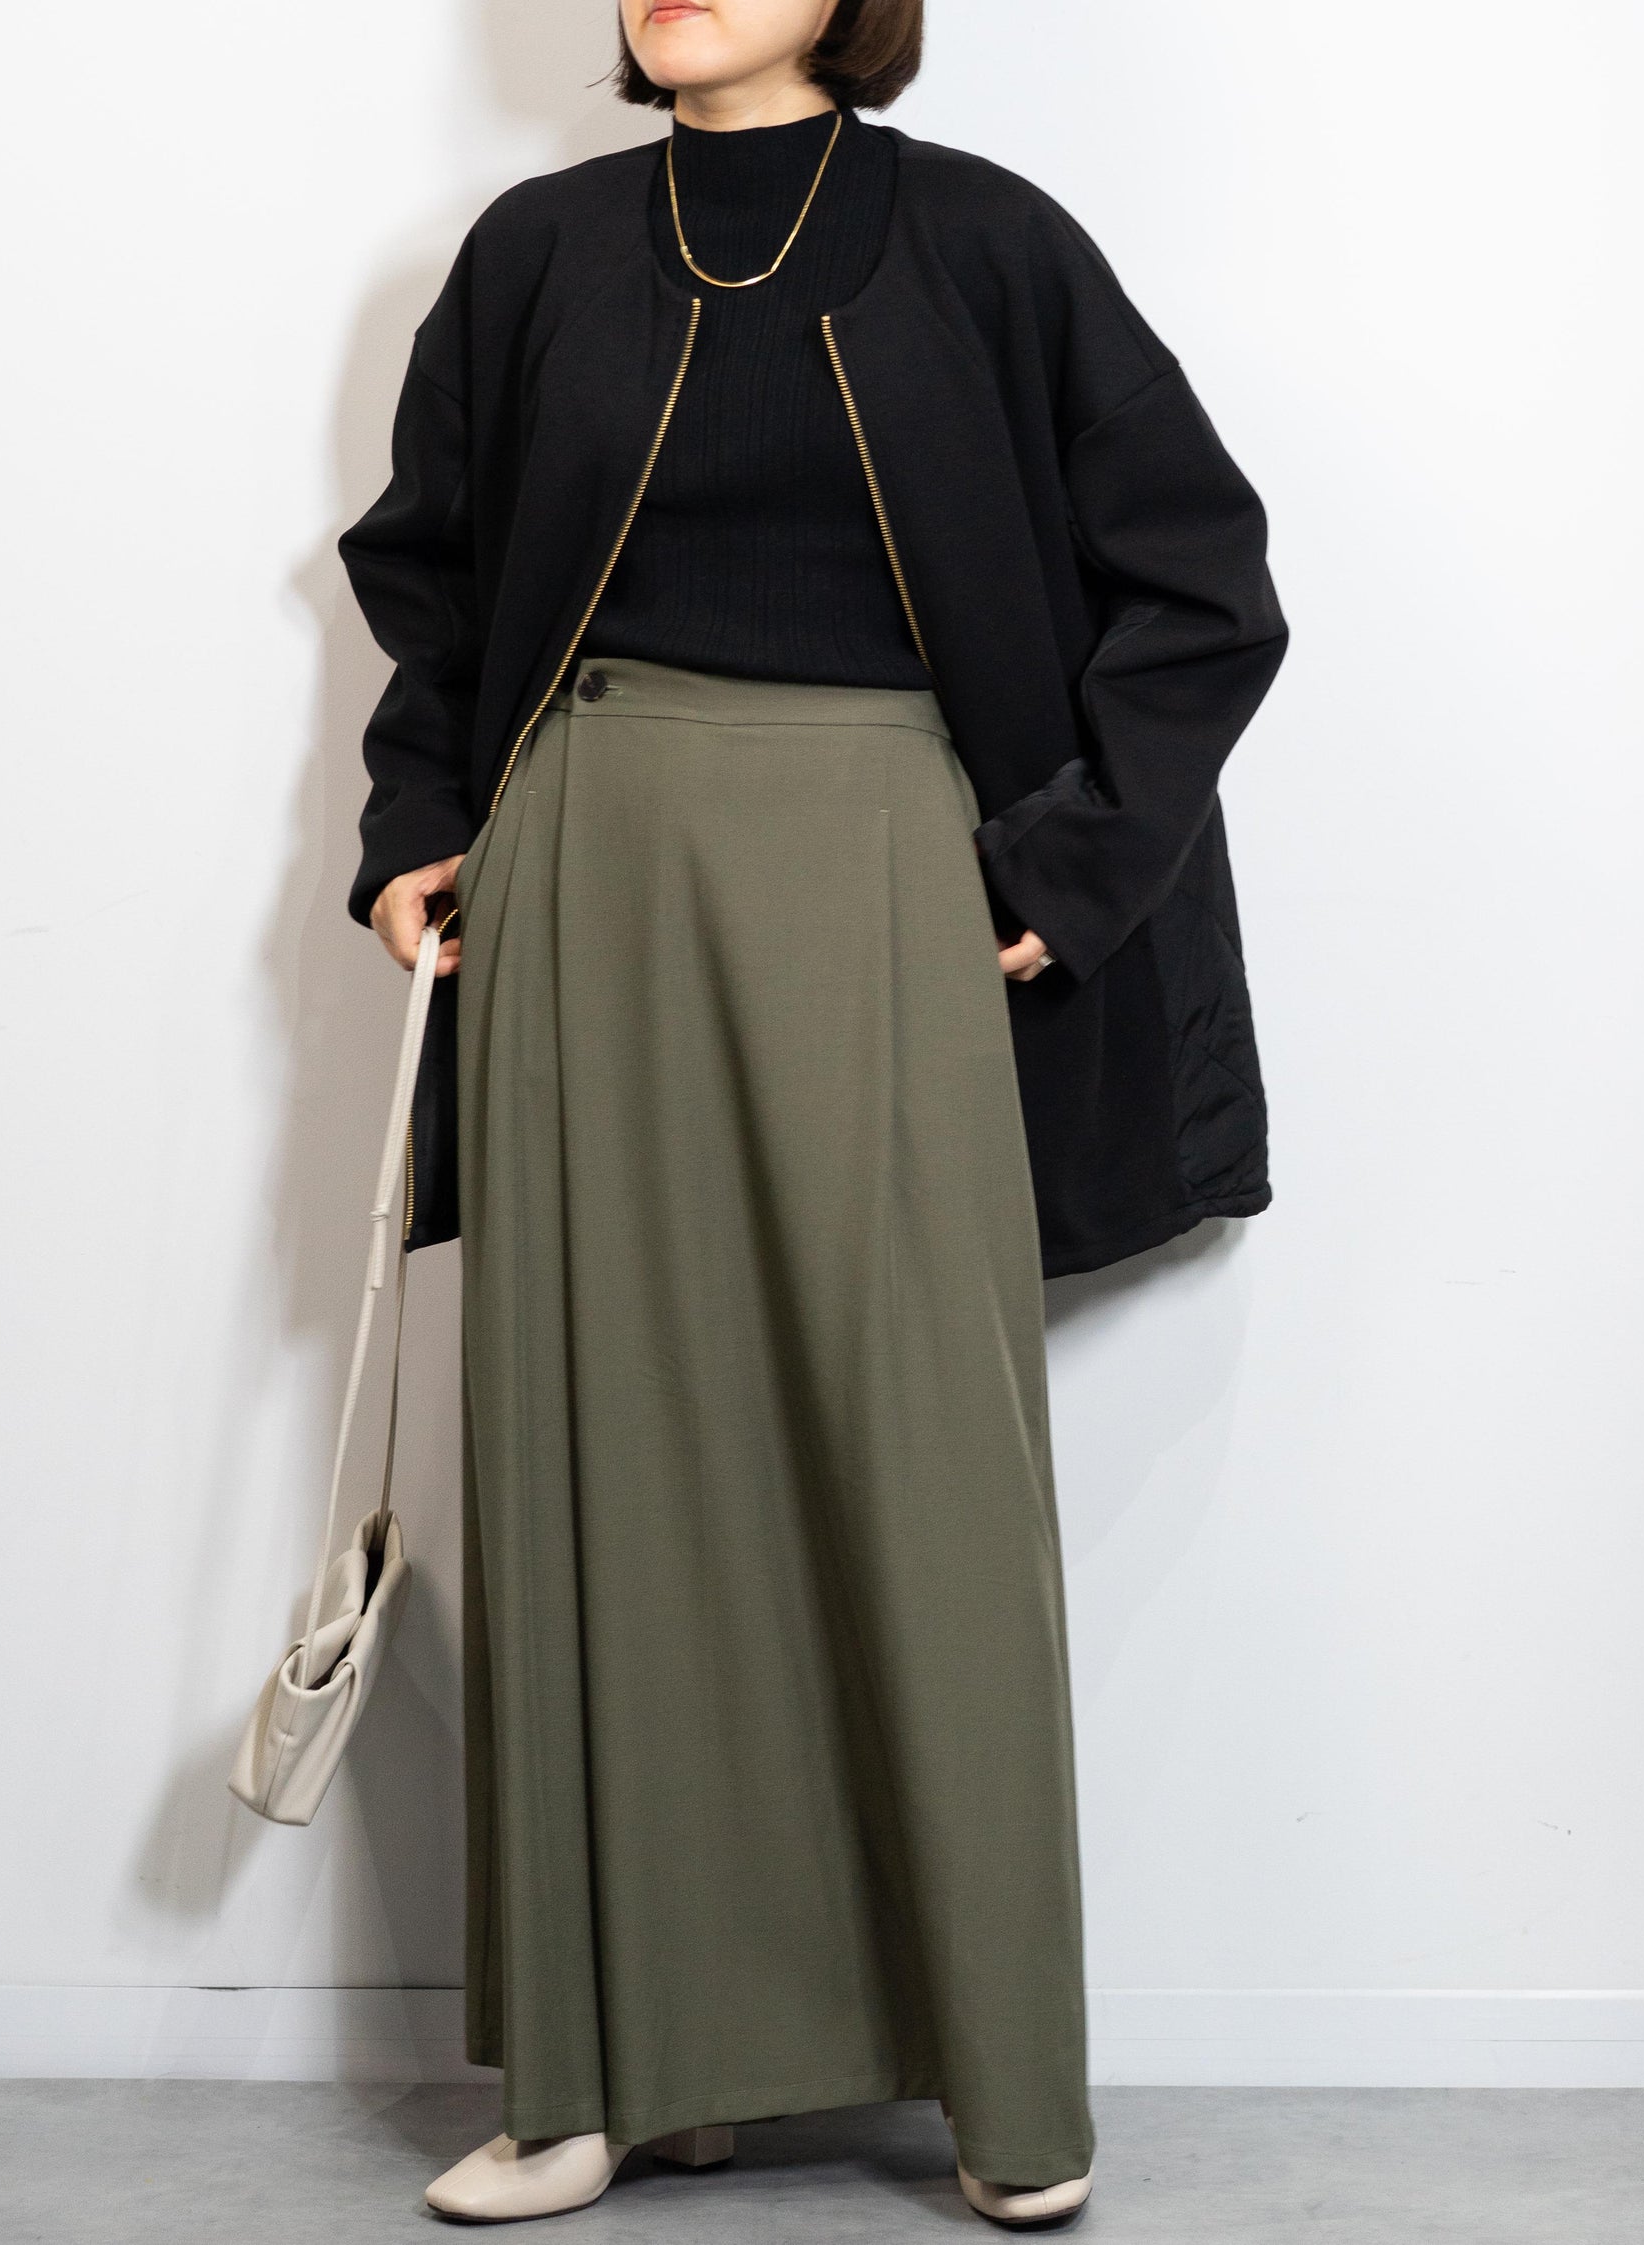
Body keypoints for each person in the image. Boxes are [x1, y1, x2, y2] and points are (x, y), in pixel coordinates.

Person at [337, 0, 1287, 2224]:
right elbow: (435, 585)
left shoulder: (986, 243)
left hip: (881, 869)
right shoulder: (536, 254)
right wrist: (413, 826)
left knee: (922, 1462)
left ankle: (1006, 2089)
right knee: (597, 1462)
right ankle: (602, 2075)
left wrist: (1062, 875)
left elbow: (1201, 578)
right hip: (585, 873)